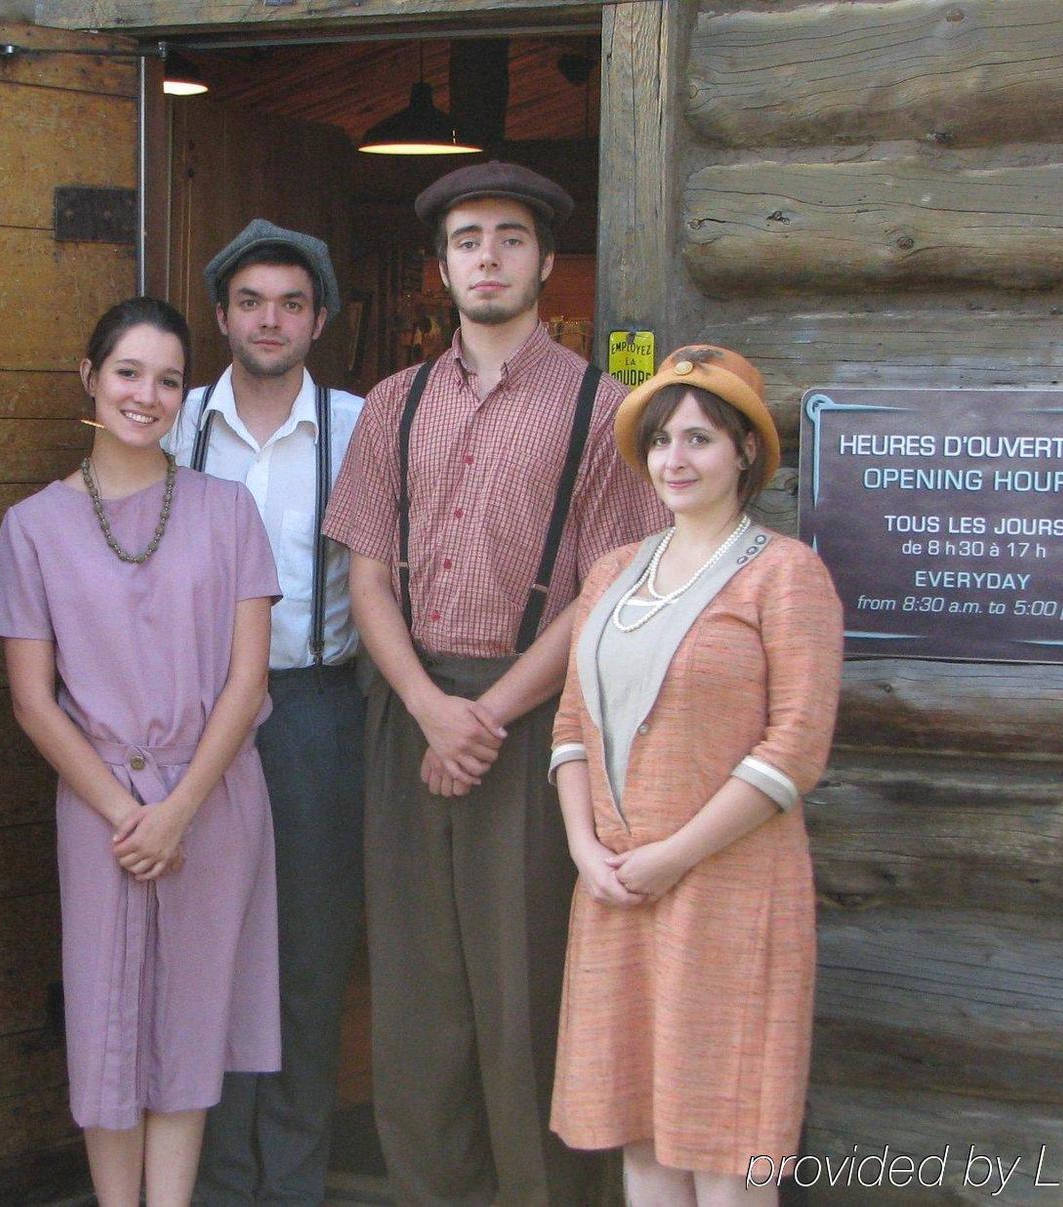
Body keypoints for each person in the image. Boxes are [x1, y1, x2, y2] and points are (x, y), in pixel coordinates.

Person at [320, 161, 668, 1204]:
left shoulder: (603, 409)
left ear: (544, 262)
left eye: (508, 238)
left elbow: (605, 591)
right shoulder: (393, 402)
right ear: (440, 266)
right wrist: (429, 708)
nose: (486, 255)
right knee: (416, 991)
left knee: (526, 989)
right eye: (467, 238)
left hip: (535, 720)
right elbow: (367, 572)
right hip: (408, 707)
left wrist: (487, 713)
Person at [0, 297, 282, 1207]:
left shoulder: (228, 511)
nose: (145, 395)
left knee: (191, 1028)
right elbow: (35, 701)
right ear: (90, 377)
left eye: (166, 379)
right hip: (102, 804)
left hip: (214, 796)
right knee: (107, 1027)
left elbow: (246, 681)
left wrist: (182, 807)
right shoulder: (31, 526)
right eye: (127, 372)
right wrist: (126, 813)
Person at [548, 345, 843, 1206]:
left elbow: (796, 746)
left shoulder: (785, 574)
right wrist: (583, 847)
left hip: (728, 890)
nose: (675, 459)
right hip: (614, 892)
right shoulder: (612, 571)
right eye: (663, 440)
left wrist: (673, 854)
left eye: (701, 439)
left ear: (745, 451)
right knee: (641, 1132)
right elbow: (573, 723)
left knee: (725, 1139)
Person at [164, 220, 368, 1206]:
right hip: (190, 715)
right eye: (250, 302)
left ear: (319, 318)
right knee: (207, 947)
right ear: (220, 316)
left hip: (311, 712)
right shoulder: (175, 418)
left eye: (291, 302)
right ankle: (217, 1178)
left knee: (308, 953)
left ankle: (291, 1180)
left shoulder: (360, 423)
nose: (269, 319)